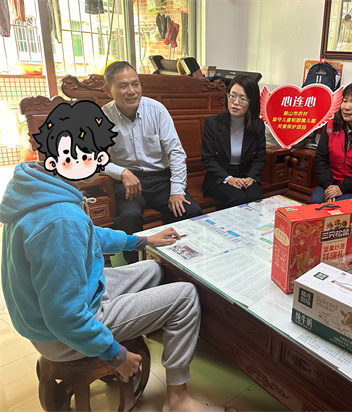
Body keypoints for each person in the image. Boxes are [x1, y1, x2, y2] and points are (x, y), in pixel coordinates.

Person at [0, 100, 234, 412]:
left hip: (66, 307)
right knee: (186, 295)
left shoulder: (38, 188)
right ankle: (178, 400)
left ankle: (153, 326)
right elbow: (64, 316)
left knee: (153, 270)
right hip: (60, 335)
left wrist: (142, 240)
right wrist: (116, 354)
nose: (101, 161)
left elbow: (89, 236)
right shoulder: (60, 220)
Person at [102, 61, 202, 263]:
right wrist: (122, 172)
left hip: (161, 180)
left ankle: (184, 264)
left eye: (135, 84)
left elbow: (176, 152)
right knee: (128, 218)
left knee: (191, 211)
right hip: (128, 184)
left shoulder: (156, 110)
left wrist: (177, 190)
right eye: (123, 86)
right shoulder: (103, 117)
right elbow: (96, 160)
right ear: (108, 90)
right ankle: (137, 268)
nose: (132, 91)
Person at [201, 74, 266, 209]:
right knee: (238, 198)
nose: (236, 102)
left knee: (255, 198)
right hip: (220, 176)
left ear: (252, 102)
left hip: (246, 176)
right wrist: (228, 178)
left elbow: (260, 158)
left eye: (242, 99)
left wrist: (251, 177)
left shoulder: (258, 125)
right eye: (232, 96)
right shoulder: (212, 123)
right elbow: (208, 159)